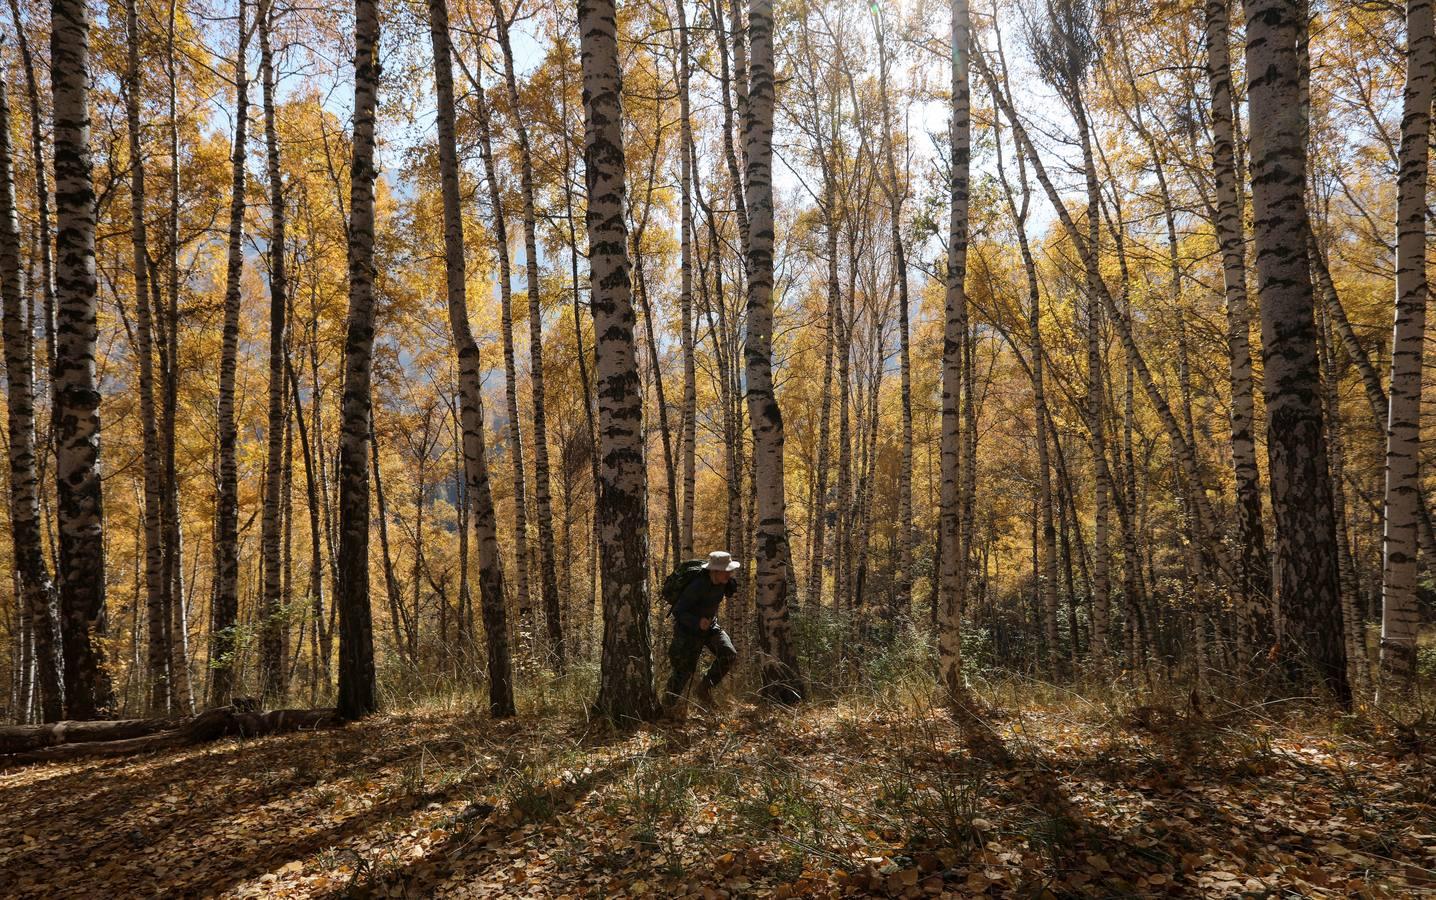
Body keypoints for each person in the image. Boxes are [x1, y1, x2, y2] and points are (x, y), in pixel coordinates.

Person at [663, 550, 741, 714]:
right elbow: (678, 611)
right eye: (726, 571)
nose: (730, 574)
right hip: (687, 631)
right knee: (682, 673)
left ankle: (703, 690)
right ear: (714, 571)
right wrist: (696, 622)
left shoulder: (724, 581)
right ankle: (666, 709)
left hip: (711, 627)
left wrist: (731, 585)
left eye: (730, 570)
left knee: (728, 654)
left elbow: (730, 590)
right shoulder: (697, 585)